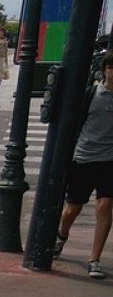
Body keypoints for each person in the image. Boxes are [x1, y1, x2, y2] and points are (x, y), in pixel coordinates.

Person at [53, 51, 113, 279]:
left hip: (110, 160)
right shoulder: (91, 95)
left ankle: (94, 259)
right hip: (85, 157)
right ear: (105, 70)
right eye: (111, 68)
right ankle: (61, 234)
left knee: (105, 206)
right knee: (72, 209)